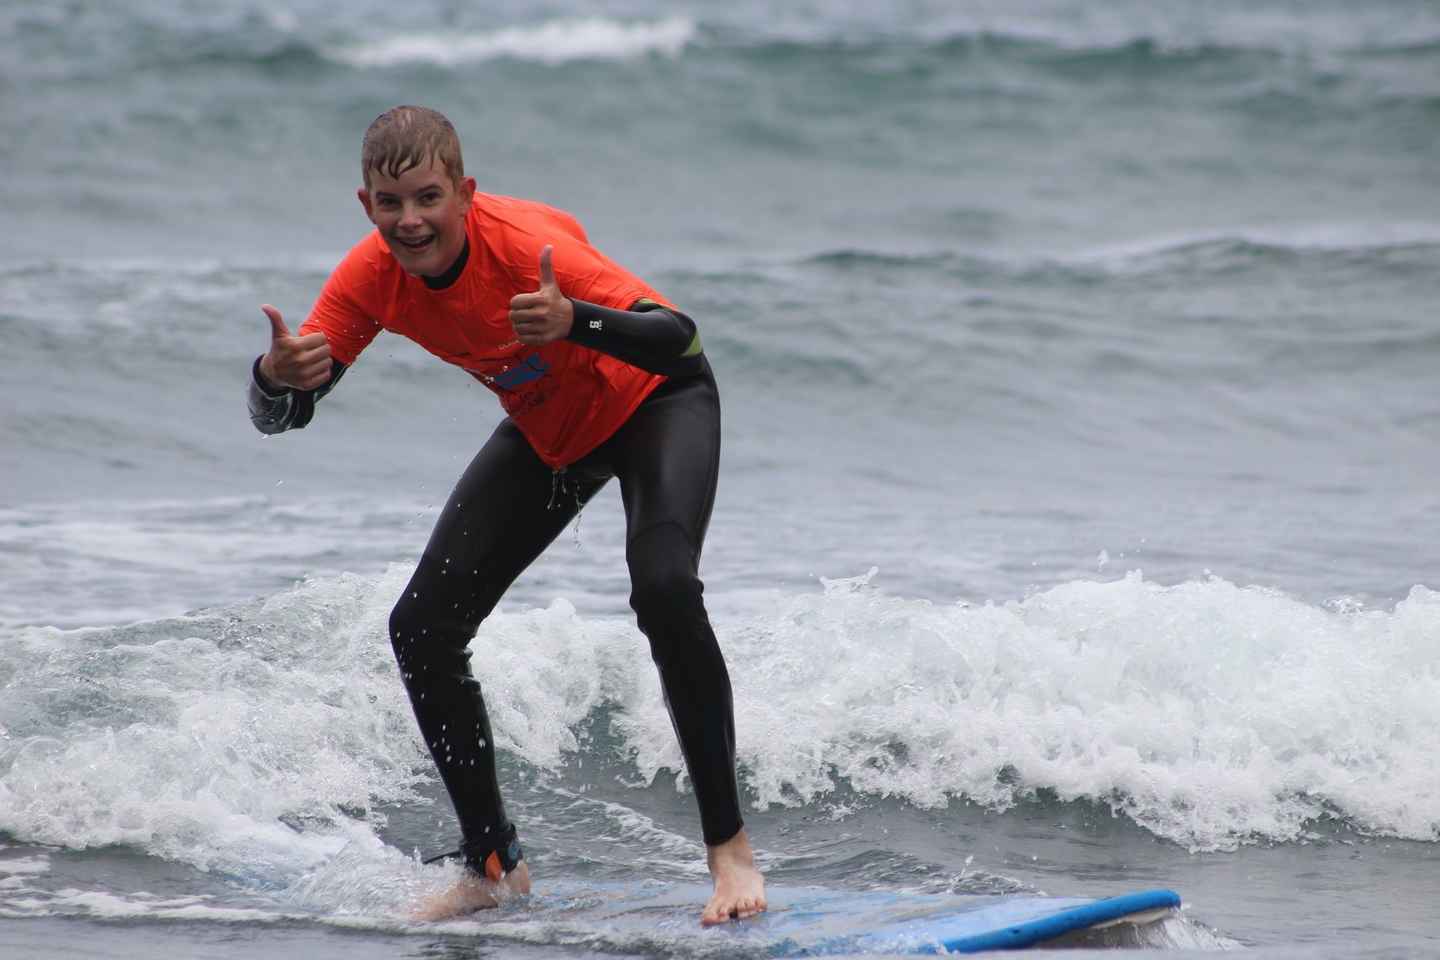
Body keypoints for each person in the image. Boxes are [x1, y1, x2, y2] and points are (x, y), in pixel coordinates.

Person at [246, 105, 765, 925]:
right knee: (422, 626)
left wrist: (574, 322)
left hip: (654, 401)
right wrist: (275, 379)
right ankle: (493, 866)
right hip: (553, 429)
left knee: (664, 587)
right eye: (391, 204)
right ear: (366, 205)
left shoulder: (521, 247)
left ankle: (730, 854)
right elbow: (286, 414)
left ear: (465, 193)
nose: (410, 221)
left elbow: (681, 341)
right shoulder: (369, 276)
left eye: (427, 198)